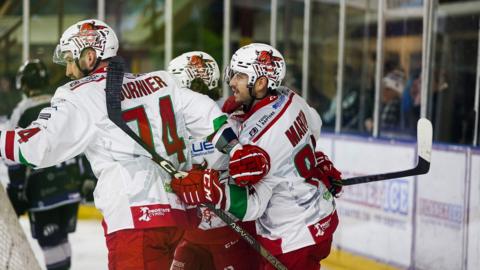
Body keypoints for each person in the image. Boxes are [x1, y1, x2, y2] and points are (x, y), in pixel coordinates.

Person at [0, 20, 268, 270]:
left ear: (90, 56)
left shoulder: (79, 94)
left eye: (71, 60)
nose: (69, 71)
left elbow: (34, 148)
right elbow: (206, 111)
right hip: (178, 218)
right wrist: (235, 149)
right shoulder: (161, 82)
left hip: (135, 220)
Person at [171, 43, 342, 270]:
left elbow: (254, 204)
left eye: (240, 76)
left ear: (260, 83)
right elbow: (314, 126)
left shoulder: (252, 135)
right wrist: (305, 165)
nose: (232, 82)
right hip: (322, 217)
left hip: (291, 235)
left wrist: (212, 190)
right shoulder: (290, 97)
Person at [168, 51, 259, 270]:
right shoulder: (171, 127)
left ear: (190, 83)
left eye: (175, 84)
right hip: (190, 235)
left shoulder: (234, 122)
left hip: (232, 231)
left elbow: (254, 177)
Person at [6, 59, 91, 270]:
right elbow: (82, 141)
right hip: (71, 186)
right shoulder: (61, 101)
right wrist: (87, 177)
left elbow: (13, 155)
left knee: (51, 243)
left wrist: (16, 190)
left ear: (24, 84)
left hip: (42, 190)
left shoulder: (22, 111)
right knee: (60, 239)